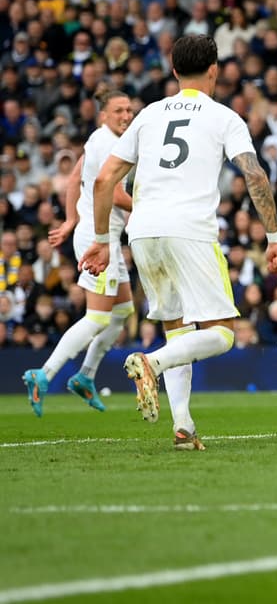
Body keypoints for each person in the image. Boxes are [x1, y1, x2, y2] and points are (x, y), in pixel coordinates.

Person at [81, 36, 277, 450]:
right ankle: (150, 363)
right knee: (223, 333)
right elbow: (254, 175)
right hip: (189, 229)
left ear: (174, 71)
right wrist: (274, 236)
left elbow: (104, 180)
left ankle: (183, 426)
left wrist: (103, 240)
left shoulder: (148, 115)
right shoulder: (224, 117)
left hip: (142, 230)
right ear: (215, 69)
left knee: (178, 330)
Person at [23, 90, 137, 416]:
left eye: (129, 109)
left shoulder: (100, 139)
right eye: (118, 110)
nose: (126, 115)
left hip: (103, 235)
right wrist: (151, 205)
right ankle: (43, 374)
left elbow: (75, 177)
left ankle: (85, 377)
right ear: (104, 115)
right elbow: (114, 193)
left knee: (123, 311)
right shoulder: (108, 143)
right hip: (98, 238)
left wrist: (71, 218)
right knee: (98, 317)